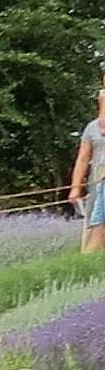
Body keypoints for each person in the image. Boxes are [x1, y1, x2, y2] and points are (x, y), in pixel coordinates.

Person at [74, 92, 105, 253]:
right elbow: (83, 158)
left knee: (100, 226)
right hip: (96, 184)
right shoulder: (92, 127)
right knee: (93, 223)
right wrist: (75, 187)